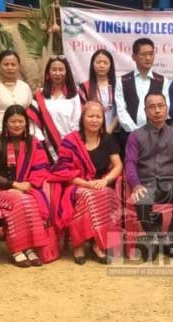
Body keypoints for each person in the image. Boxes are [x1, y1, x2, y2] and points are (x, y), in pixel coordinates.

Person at [125, 92, 173, 261]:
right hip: (147, 183)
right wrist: (135, 184)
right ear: (145, 111)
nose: (157, 110)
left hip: (170, 183)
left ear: (166, 109)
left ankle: (170, 239)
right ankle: (153, 238)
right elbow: (130, 163)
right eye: (152, 107)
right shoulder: (135, 136)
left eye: (160, 106)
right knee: (142, 198)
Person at [51, 102, 123, 265]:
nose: (94, 120)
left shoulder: (108, 139)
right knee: (87, 196)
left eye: (98, 116)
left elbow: (118, 165)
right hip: (76, 185)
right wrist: (86, 184)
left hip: (100, 183)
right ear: (82, 118)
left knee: (108, 194)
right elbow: (63, 172)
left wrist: (105, 180)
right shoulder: (70, 140)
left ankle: (98, 244)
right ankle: (78, 244)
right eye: (90, 116)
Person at [0, 105, 56, 268]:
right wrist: (13, 185)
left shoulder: (33, 142)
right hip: (0, 190)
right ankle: (17, 249)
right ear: (6, 123)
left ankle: (29, 247)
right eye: (13, 121)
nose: (17, 125)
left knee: (28, 201)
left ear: (26, 123)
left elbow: (42, 168)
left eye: (20, 121)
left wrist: (27, 185)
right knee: (22, 201)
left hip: (26, 188)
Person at [115, 38, 170, 146]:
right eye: (143, 54)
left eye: (151, 54)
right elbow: (121, 110)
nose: (148, 58)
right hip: (129, 136)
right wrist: (136, 133)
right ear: (134, 57)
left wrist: (151, 131)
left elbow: (165, 108)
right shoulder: (123, 81)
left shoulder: (162, 80)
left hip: (157, 136)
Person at [31, 56, 82, 163]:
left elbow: (77, 122)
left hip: (70, 145)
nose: (57, 73)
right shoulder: (39, 95)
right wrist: (43, 143)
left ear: (66, 72)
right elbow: (34, 123)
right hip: (45, 147)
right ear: (48, 73)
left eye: (61, 69)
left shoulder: (75, 94)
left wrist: (69, 143)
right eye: (54, 69)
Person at [0, 50, 33, 139]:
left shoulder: (24, 86)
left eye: (13, 64)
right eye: (6, 64)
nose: (10, 67)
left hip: (22, 136)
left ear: (18, 67)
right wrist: (2, 133)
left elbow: (29, 110)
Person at [77, 49, 119, 134]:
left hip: (114, 133)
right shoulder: (84, 87)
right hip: (91, 134)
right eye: (98, 62)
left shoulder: (118, 85)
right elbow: (82, 112)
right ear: (92, 64)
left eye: (105, 63)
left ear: (111, 65)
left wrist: (110, 130)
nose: (101, 65)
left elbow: (122, 110)